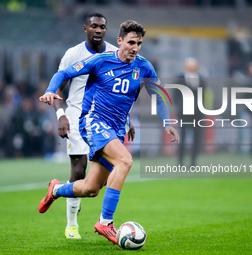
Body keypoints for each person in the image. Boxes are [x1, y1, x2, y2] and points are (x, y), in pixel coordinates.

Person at [38, 20, 179, 245]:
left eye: (139, 43)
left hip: (115, 129)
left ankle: (55, 190)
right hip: (92, 122)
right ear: (119, 41)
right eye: (131, 42)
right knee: (125, 160)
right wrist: (50, 91)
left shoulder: (144, 66)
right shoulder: (100, 61)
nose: (135, 48)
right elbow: (63, 73)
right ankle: (105, 222)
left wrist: (166, 122)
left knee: (91, 188)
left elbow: (158, 95)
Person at [51, 12, 129, 240]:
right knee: (78, 170)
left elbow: (122, 91)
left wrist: (127, 119)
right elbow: (58, 86)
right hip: (76, 117)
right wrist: (60, 115)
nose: (98, 30)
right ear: (85, 28)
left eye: (102, 27)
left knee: (97, 183)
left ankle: (66, 192)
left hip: (106, 120)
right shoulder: (73, 54)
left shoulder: (114, 54)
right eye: (94, 26)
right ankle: (72, 224)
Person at [175, 57, 205, 167]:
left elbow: (203, 95)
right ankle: (180, 162)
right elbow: (176, 94)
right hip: (184, 113)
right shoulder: (180, 78)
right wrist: (179, 107)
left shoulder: (201, 79)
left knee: (196, 138)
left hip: (197, 113)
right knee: (182, 137)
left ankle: (193, 162)